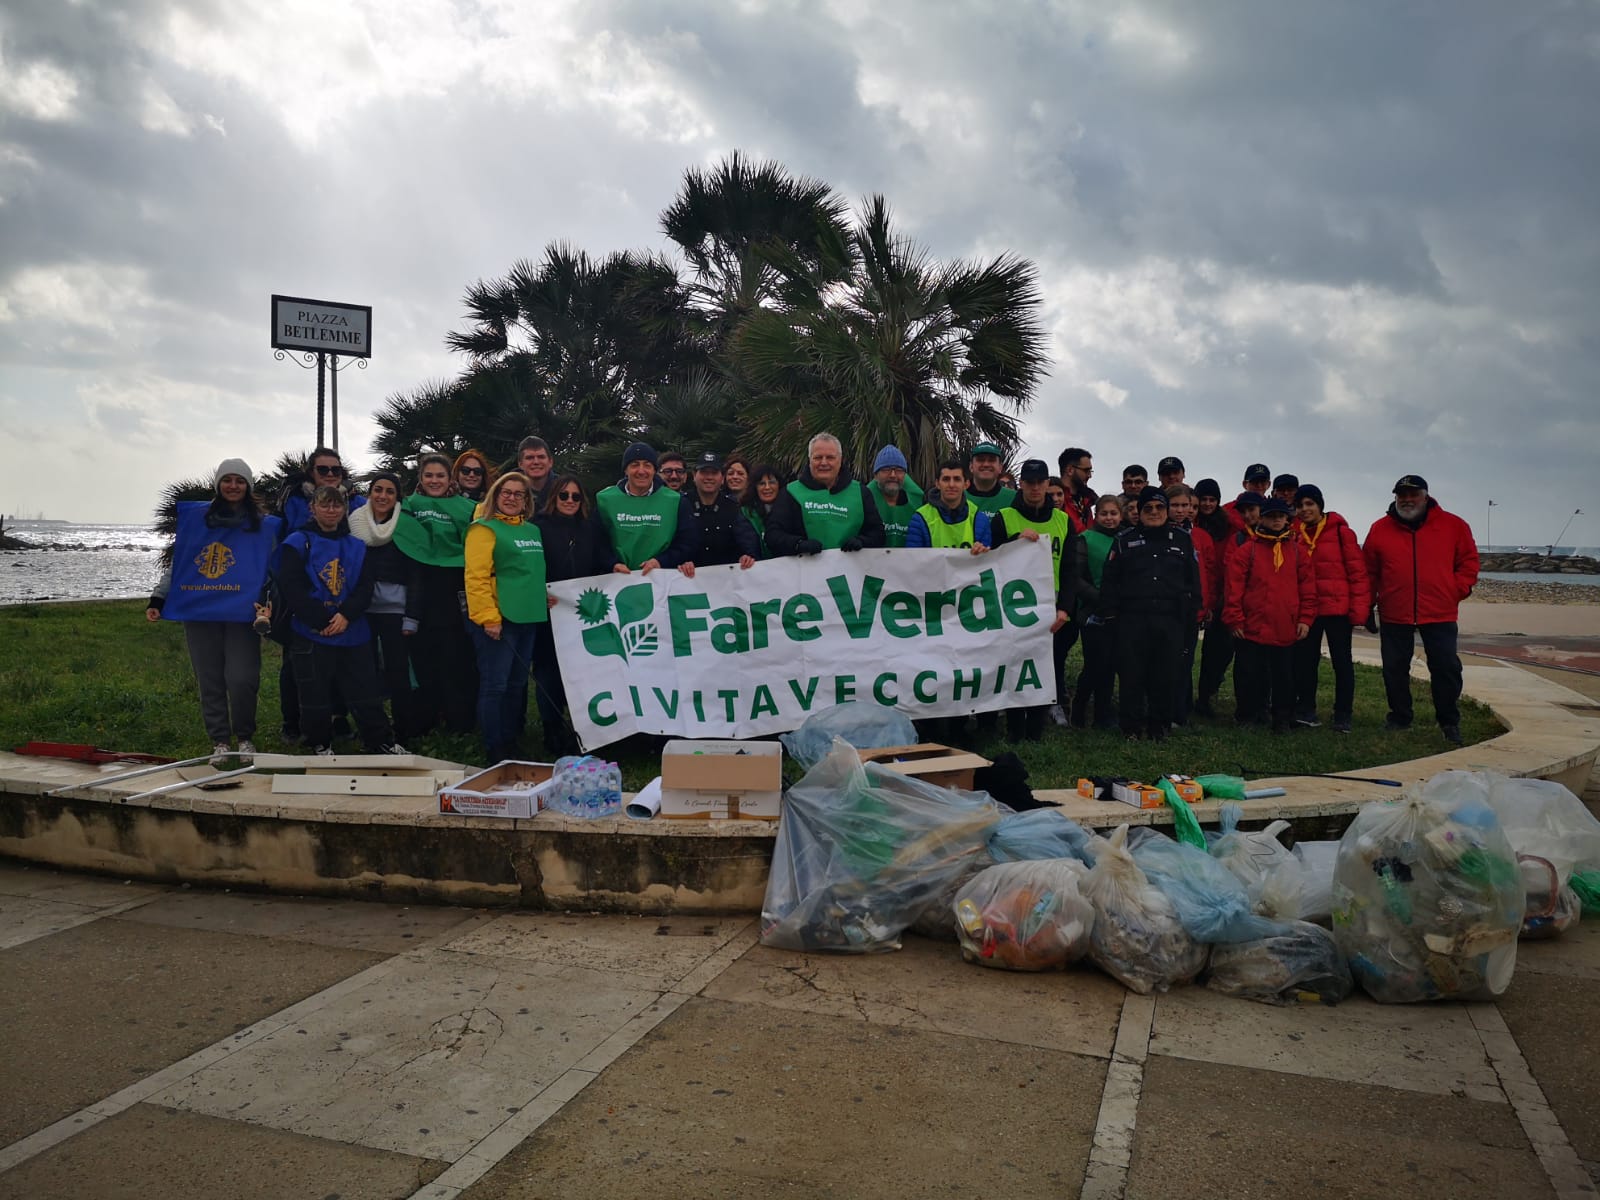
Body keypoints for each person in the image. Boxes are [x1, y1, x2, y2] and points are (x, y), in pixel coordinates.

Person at [147, 458, 281, 757]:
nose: (233, 486)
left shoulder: (264, 525)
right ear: (219, 484)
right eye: (228, 480)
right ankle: (220, 740)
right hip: (200, 611)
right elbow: (180, 564)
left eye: (240, 480)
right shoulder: (197, 520)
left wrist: (268, 602)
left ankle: (245, 735)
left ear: (248, 486)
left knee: (242, 678)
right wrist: (159, 597)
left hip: (241, 613)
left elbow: (271, 569)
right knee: (210, 678)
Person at [279, 486, 402, 755]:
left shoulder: (357, 545)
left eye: (337, 506)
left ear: (345, 509)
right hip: (313, 629)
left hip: (352, 628)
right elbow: (292, 586)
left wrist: (346, 614)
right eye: (325, 505)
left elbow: (364, 586)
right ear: (313, 508)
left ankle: (379, 741)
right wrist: (322, 619)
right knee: (314, 692)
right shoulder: (297, 542)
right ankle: (319, 743)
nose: (332, 510)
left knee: (365, 689)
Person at [1363, 475, 1479, 745]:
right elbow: (1369, 571)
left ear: (1426, 497)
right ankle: (1400, 717)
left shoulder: (1454, 525)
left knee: (1446, 667)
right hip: (1395, 610)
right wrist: (1367, 604)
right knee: (1394, 668)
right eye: (1401, 495)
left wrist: (1456, 589)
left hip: (1439, 610)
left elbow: (1469, 562)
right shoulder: (1380, 529)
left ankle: (1449, 721)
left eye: (1413, 495)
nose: (1407, 500)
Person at [273, 448, 364, 743]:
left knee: (340, 664)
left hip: (343, 589)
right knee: (295, 666)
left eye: (335, 470)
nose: (329, 475)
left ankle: (338, 718)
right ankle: (292, 721)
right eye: (322, 469)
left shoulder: (355, 501)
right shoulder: (293, 499)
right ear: (311, 472)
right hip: (303, 595)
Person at [1097, 487, 1198, 742]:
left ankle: (1159, 727)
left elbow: (1193, 580)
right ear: (1139, 512)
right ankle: (1130, 727)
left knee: (1165, 675)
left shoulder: (1182, 539)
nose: (1154, 513)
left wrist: (1192, 613)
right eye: (1148, 508)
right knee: (1132, 675)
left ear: (1167, 510)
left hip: (1170, 618)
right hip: (1132, 619)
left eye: (1159, 508)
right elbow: (1110, 581)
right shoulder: (1124, 540)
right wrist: (1110, 616)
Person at [465, 472, 551, 763]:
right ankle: (494, 746)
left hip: (528, 617)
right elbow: (475, 578)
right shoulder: (483, 529)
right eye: (507, 493)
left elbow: (531, 573)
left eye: (519, 494)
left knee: (516, 686)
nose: (513, 498)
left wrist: (542, 596)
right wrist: (488, 617)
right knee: (495, 685)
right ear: (496, 496)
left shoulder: (532, 531)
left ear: (527, 500)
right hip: (498, 620)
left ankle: (512, 742)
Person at [394, 453, 479, 735]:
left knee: (455, 658)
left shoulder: (468, 507)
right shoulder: (408, 505)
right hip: (420, 591)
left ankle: (459, 720)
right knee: (423, 658)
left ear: (450, 479)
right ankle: (425, 718)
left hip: (455, 589)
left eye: (440, 475)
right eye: (428, 475)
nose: (434, 481)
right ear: (420, 479)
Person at [535, 474, 617, 755]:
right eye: (564, 495)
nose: (570, 501)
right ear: (554, 497)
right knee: (548, 672)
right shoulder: (538, 526)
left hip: (583, 613)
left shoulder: (590, 528)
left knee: (585, 672)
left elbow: (603, 557)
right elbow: (531, 564)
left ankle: (584, 729)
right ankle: (551, 730)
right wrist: (537, 592)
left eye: (576, 496)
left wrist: (615, 567)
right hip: (549, 612)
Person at [991, 459, 1073, 738]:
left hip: (1051, 606)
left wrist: (1065, 608)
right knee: (1015, 665)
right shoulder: (1004, 517)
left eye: (1041, 482)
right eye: (1030, 482)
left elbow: (1073, 567)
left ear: (1048, 485)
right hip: (1013, 605)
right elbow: (991, 559)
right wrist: (1014, 539)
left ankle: (1036, 729)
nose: (1036, 488)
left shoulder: (1063, 521)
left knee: (1044, 666)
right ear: (1021, 483)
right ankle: (1015, 728)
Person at [1223, 496, 1314, 733]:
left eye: (1280, 516)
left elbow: (1307, 588)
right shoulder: (1248, 550)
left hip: (1284, 626)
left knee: (1284, 677)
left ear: (1287, 520)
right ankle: (1246, 715)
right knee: (1247, 674)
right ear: (1262, 518)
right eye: (1271, 516)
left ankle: (1282, 717)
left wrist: (1305, 618)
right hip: (1251, 626)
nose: (1276, 520)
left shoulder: (1298, 552)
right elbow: (1234, 588)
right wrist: (1234, 618)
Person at [349, 471, 424, 740]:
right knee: (364, 672)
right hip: (362, 611)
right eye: (377, 490)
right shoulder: (354, 523)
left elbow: (416, 574)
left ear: (397, 497)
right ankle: (372, 727)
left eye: (389, 491)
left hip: (395, 611)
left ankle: (404, 728)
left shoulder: (405, 525)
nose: (382, 496)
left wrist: (411, 616)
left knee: (398, 671)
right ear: (370, 493)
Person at [1292, 484, 1369, 733]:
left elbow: (1358, 573)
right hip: (1310, 610)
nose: (1305, 510)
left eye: (1310, 504)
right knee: (1306, 662)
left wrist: (1359, 610)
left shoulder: (1341, 533)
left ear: (1319, 506)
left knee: (1342, 663)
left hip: (1338, 611)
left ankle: (1343, 714)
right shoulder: (1295, 535)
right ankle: (1306, 709)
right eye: (1300, 505)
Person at [764, 433, 885, 555]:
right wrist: (798, 544)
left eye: (830, 457)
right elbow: (772, 535)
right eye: (818, 457)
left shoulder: (861, 493)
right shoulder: (790, 492)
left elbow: (878, 534)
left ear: (840, 460)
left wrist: (862, 541)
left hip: (849, 571)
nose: (824, 463)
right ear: (810, 460)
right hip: (802, 570)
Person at [594, 442, 698, 573]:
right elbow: (596, 541)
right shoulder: (605, 500)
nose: (641, 471)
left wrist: (661, 561)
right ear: (625, 470)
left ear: (655, 470)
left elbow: (688, 543)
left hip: (662, 579)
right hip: (618, 581)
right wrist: (612, 563)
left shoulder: (677, 501)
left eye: (647, 465)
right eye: (635, 465)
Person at [1066, 494, 1123, 729]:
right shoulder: (1085, 539)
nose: (1109, 518)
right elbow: (1077, 579)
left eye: (1113, 513)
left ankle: (1103, 714)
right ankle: (1078, 708)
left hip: (1119, 614)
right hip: (1092, 613)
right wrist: (1101, 600)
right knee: (1094, 665)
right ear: (1095, 515)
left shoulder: (1126, 539)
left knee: (1110, 665)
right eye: (1104, 513)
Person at [1165, 484, 1214, 725]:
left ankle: (1181, 711)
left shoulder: (1201, 537)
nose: (1182, 510)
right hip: (1164, 610)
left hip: (1191, 610)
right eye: (1175, 505)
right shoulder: (1156, 531)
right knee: (1165, 661)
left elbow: (1210, 573)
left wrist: (1206, 605)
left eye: (1187, 505)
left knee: (1185, 662)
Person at [1193, 478, 1235, 718]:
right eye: (1204, 499)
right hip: (1194, 593)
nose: (1208, 503)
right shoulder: (1191, 522)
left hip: (1220, 594)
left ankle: (1206, 696)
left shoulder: (1227, 525)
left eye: (1213, 499)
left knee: (1219, 652)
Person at [687, 452, 760, 567]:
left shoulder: (734, 508)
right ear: (694, 475)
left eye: (714, 473)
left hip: (727, 580)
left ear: (722, 478)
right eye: (704, 472)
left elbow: (747, 544)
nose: (709, 477)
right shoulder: (681, 504)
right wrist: (681, 560)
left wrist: (747, 556)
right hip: (686, 579)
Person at [907, 459, 994, 551]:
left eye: (957, 479)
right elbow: (914, 561)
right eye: (946, 479)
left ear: (966, 484)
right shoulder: (920, 519)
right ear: (937, 484)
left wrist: (982, 552)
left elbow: (985, 563)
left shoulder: (980, 519)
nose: (951, 485)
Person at [867, 445, 925, 548]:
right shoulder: (863, 502)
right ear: (875, 475)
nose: (893, 475)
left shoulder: (919, 504)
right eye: (886, 469)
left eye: (899, 470)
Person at [744, 464, 783, 557]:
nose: (767, 487)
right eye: (762, 483)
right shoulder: (744, 513)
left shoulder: (790, 510)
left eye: (772, 482)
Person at [965, 442, 1016, 514]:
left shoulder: (1014, 499)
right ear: (971, 466)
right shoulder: (958, 497)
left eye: (991, 460)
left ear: (1000, 467)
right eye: (980, 460)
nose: (986, 464)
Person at [1222, 463, 1272, 533]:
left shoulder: (1274, 510)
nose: (1259, 485)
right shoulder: (1226, 510)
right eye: (1255, 482)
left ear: (1269, 484)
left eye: (1263, 482)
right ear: (1245, 484)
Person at [1057, 447, 1097, 532]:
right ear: (1070, 470)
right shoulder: (1052, 498)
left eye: (1090, 471)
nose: (1089, 476)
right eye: (1086, 470)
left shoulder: (1087, 498)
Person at [515, 436, 556, 511]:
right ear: (520, 464)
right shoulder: (505, 490)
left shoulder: (565, 490)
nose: (536, 462)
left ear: (550, 462)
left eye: (541, 457)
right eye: (529, 458)